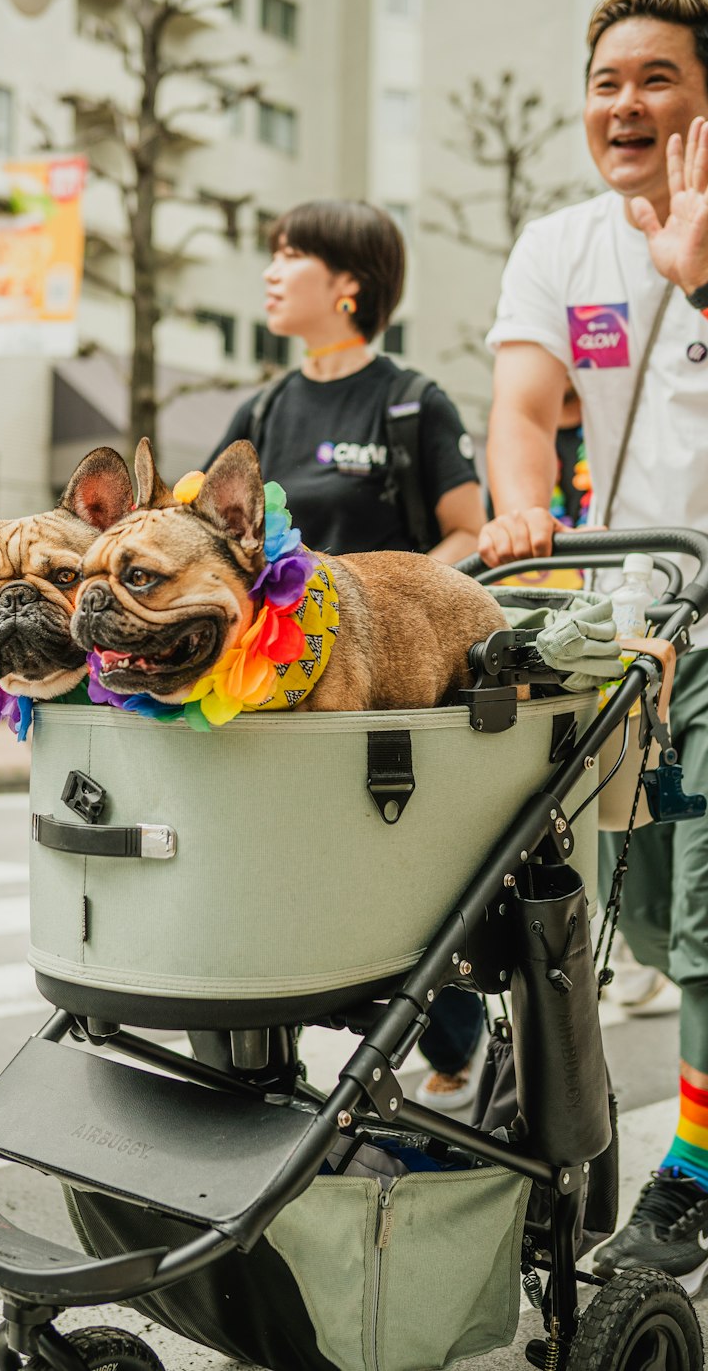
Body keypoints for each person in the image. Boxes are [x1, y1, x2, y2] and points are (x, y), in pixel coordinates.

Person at [481, 0, 708, 1293]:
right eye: (607, 83)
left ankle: (699, 1176)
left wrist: (706, 275)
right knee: (633, 908)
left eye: (658, 80)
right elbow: (526, 405)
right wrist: (525, 507)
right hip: (627, 628)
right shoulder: (558, 244)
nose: (626, 104)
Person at [209, 199, 489, 1109]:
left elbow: (466, 535)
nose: (273, 270)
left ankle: (451, 1030)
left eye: (295, 255)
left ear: (351, 284)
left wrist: (367, 592)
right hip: (271, 694)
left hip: (392, 694)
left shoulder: (411, 401)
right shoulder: (264, 407)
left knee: (393, 872)